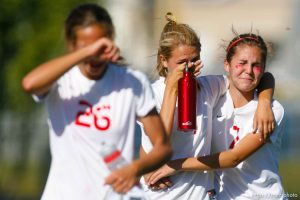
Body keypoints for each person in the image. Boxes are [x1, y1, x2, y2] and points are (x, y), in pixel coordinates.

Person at [22, 3, 172, 200]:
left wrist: (134, 169)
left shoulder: (132, 82)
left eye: (99, 44)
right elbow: (29, 84)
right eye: (85, 47)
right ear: (72, 45)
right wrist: (87, 52)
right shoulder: (60, 80)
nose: (93, 56)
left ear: (109, 41)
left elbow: (163, 147)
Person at [139, 13, 275, 200]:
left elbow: (250, 77)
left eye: (194, 60)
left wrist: (265, 103)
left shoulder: (207, 86)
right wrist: (172, 89)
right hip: (162, 194)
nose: (188, 68)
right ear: (164, 60)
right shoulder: (150, 94)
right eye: (181, 63)